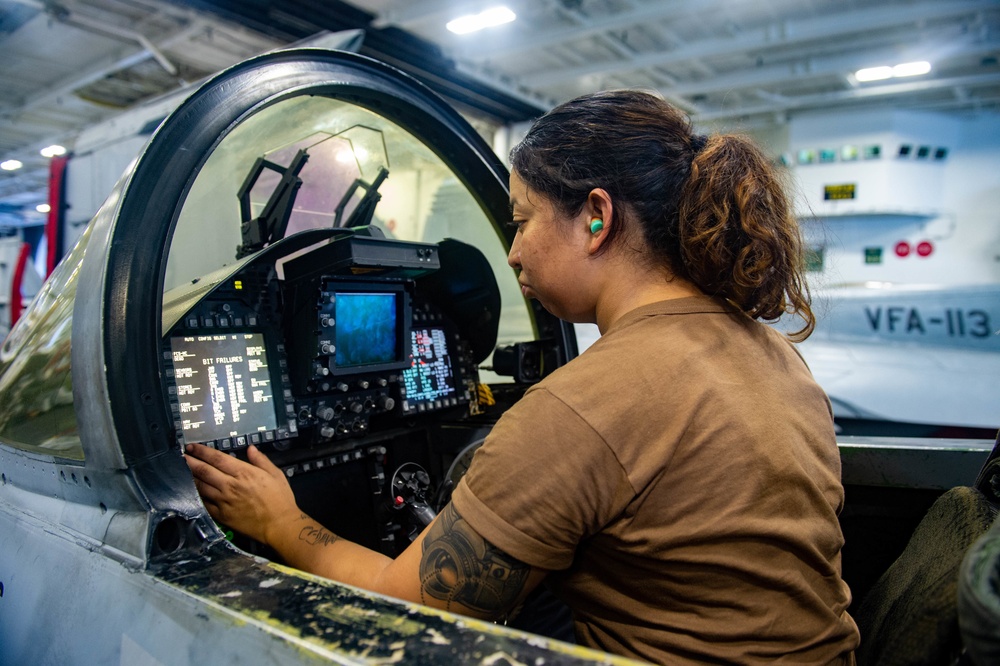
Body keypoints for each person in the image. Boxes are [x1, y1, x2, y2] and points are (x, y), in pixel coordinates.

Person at [186, 89, 860, 664]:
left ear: (596, 218)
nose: (511, 252)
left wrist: (277, 520)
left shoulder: (585, 405)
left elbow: (404, 605)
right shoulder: (772, 354)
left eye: (522, 221)